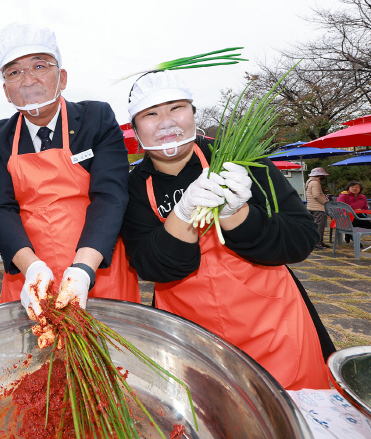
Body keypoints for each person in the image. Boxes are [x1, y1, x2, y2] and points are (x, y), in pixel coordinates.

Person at [120, 70, 334, 390]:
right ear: (136, 129)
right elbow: (151, 266)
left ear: (193, 113)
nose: (166, 121)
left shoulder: (239, 159)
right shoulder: (134, 186)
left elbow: (301, 239)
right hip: (191, 338)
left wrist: (237, 214)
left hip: (273, 325)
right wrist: (182, 215)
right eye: (150, 113)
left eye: (176, 108)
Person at [0, 23, 140, 322]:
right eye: (14, 72)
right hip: (28, 265)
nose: (27, 80)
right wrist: (31, 268)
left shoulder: (96, 117)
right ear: (6, 90)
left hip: (97, 263)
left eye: (39, 66)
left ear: (62, 77)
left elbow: (110, 195)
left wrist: (83, 269)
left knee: (105, 360)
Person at [305, 167, 330, 250]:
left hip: (310, 206)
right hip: (317, 207)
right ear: (320, 175)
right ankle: (318, 242)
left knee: (313, 225)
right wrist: (325, 202)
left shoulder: (309, 181)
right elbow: (317, 195)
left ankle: (317, 241)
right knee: (320, 225)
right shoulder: (315, 183)